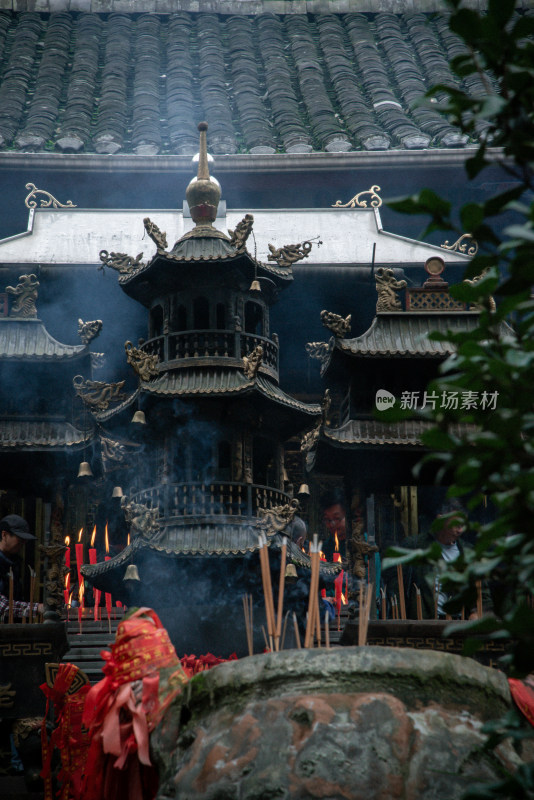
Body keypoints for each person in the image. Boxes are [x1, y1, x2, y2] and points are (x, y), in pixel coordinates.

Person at [389, 500, 484, 619]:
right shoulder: (415, 545)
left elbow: (482, 591)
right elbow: (396, 587)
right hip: (426, 623)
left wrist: (476, 612)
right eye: (456, 524)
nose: (460, 530)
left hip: (460, 622)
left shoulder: (468, 551)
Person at [0, 514, 44, 620]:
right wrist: (36, 608)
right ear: (4, 535)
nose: (23, 542)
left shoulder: (15, 562)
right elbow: (2, 606)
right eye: (19, 538)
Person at [321, 491, 347, 561]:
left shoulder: (362, 544)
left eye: (337, 518)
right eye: (328, 519)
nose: (332, 524)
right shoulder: (326, 547)